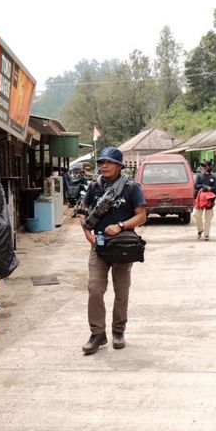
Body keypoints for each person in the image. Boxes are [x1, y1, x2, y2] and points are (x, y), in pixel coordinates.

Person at [80, 147, 146, 354]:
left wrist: (121, 226)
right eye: (101, 162)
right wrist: (88, 235)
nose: (104, 166)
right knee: (95, 290)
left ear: (119, 166)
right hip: (98, 247)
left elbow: (141, 216)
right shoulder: (94, 186)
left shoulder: (131, 187)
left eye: (108, 162)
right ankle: (97, 334)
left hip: (122, 249)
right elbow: (83, 211)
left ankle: (118, 331)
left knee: (121, 291)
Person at [194, 161, 216, 240]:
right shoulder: (199, 176)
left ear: (209, 167)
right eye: (203, 166)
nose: (203, 168)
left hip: (210, 199)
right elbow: (196, 185)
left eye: (205, 166)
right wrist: (204, 187)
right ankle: (200, 230)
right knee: (197, 215)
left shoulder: (214, 177)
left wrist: (210, 188)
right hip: (200, 198)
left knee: (208, 217)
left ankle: (206, 234)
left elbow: (215, 187)